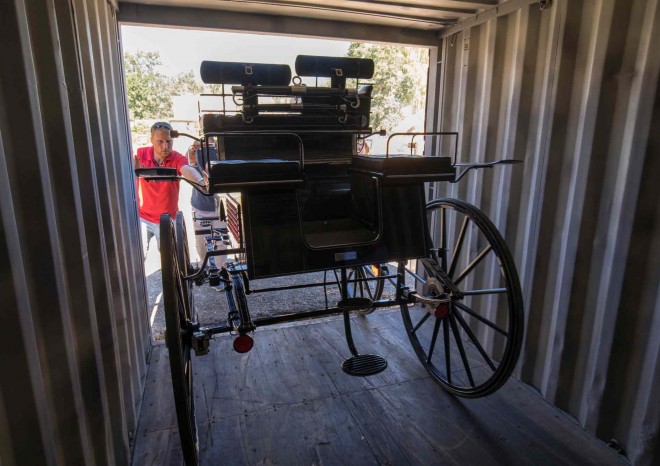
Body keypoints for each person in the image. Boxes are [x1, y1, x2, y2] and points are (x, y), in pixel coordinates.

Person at [134, 121, 205, 260]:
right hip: (143, 217)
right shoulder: (140, 155)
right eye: (160, 141)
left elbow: (187, 170)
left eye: (169, 142)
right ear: (151, 140)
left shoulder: (177, 158)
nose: (165, 146)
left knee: (171, 260)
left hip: (167, 217)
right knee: (137, 256)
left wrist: (201, 181)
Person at [187, 140, 228, 270]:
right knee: (201, 242)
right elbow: (190, 164)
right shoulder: (195, 150)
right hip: (201, 203)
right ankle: (205, 266)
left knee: (221, 241)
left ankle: (219, 270)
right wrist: (193, 150)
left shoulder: (222, 148)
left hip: (221, 203)